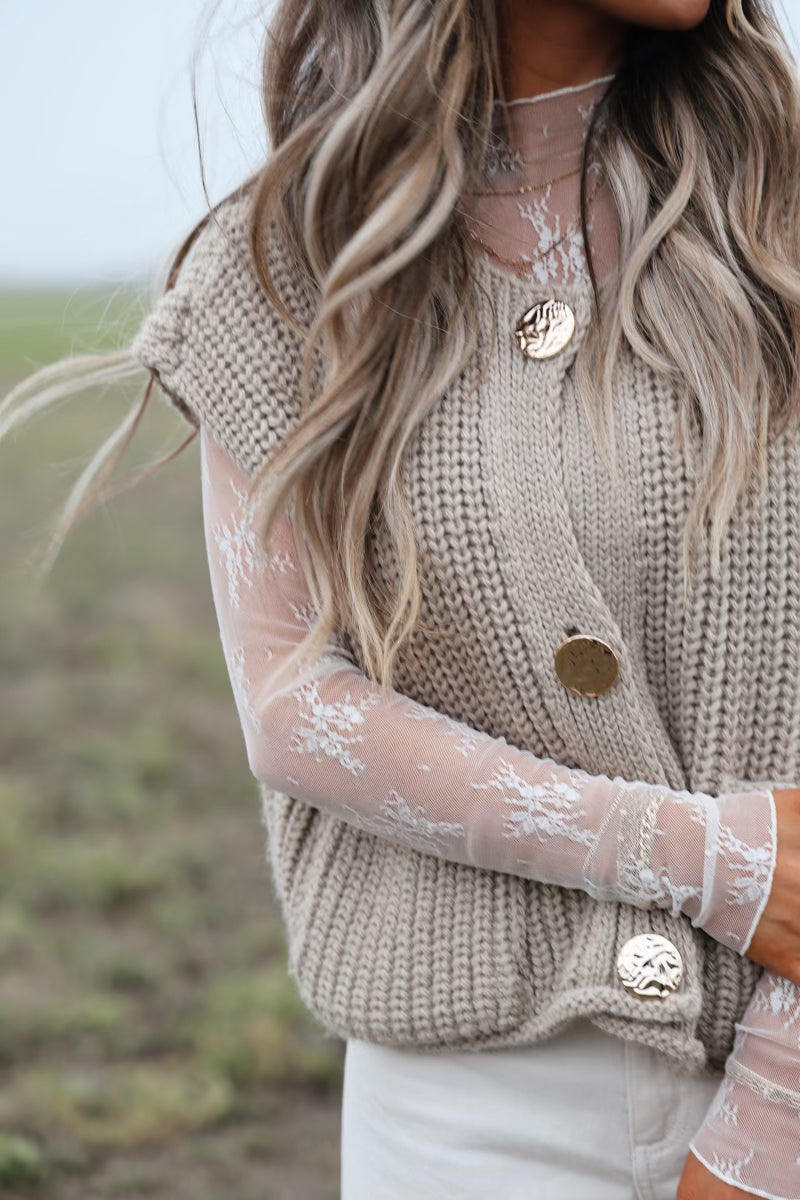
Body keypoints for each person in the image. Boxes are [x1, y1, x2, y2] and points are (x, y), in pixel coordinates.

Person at [5, 0, 800, 1196]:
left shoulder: (777, 225)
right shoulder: (287, 270)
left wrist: (772, 1112)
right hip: (467, 1107)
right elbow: (295, 705)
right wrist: (695, 859)